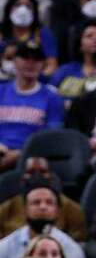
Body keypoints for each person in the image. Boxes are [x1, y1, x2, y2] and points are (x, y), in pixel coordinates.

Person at [0, 179, 88, 258]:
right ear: (25, 209)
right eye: (36, 202)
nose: (43, 207)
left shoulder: (72, 248)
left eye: (49, 202)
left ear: (57, 211)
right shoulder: (4, 246)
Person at [0, 40, 64, 170]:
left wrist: (19, 154)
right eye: (25, 58)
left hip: (30, 159)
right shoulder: (1, 91)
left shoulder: (52, 97)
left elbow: (51, 137)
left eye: (36, 59)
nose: (31, 63)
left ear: (43, 64)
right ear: (15, 61)